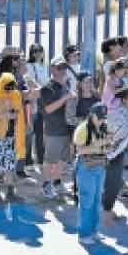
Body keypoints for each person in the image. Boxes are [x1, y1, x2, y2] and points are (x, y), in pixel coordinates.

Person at [74, 103, 113, 244]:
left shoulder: (104, 126)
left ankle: (93, 231)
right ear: (91, 114)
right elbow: (79, 150)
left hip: (100, 166)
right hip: (86, 167)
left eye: (104, 118)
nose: (102, 120)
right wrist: (98, 144)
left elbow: (108, 147)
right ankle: (84, 235)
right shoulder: (82, 128)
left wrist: (109, 145)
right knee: (87, 201)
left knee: (96, 201)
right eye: (99, 117)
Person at [40, 57, 77, 199]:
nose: (62, 70)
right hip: (53, 130)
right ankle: (46, 184)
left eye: (64, 67)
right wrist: (65, 98)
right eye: (59, 68)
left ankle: (56, 182)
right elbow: (47, 110)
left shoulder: (66, 85)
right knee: (50, 160)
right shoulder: (47, 88)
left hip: (66, 129)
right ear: (52, 69)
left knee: (62, 159)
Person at [0, 72, 26, 204]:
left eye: (11, 87)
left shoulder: (15, 95)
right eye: (7, 87)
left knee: (10, 165)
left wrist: (15, 115)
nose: (9, 90)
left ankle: (10, 192)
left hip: (10, 136)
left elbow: (18, 112)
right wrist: (4, 116)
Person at [104, 87, 128, 222]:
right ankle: (107, 212)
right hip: (113, 153)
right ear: (124, 99)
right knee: (113, 183)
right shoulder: (118, 113)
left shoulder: (125, 111)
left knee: (113, 182)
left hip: (116, 152)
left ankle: (107, 210)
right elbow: (116, 135)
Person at [26, 44, 49, 167]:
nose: (38, 53)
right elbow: (30, 82)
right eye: (35, 51)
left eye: (40, 51)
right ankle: (28, 159)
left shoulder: (43, 66)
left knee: (40, 131)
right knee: (30, 131)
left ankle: (40, 157)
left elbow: (46, 82)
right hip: (33, 101)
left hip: (42, 101)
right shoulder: (29, 66)